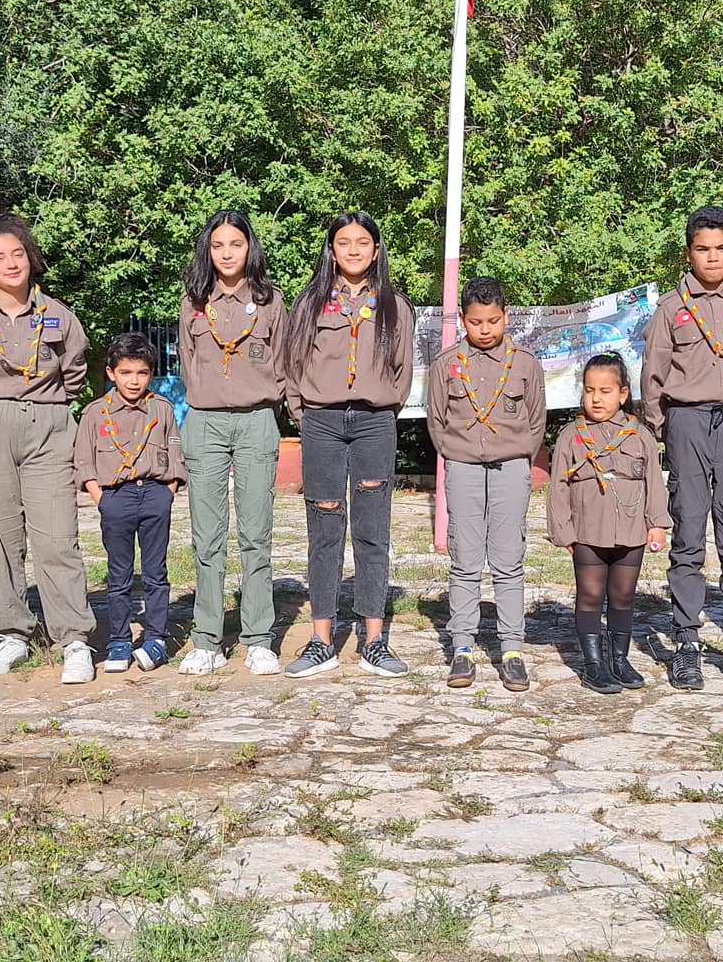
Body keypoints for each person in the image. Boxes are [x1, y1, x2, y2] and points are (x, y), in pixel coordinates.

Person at [0, 211, 98, 686]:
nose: (11, 263)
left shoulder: (59, 314)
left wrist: (48, 407)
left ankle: (73, 636)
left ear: (30, 258)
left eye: (17, 253)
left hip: (48, 425)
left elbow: (75, 370)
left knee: (57, 536)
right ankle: (13, 631)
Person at [640, 206, 723, 691]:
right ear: (689, 252)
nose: (712, 258)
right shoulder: (672, 307)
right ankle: (687, 642)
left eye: (721, 248)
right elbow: (653, 375)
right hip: (688, 421)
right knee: (689, 534)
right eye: (702, 249)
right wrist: (663, 429)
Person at [281, 212, 416, 678]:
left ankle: (374, 640)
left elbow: (401, 373)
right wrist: (307, 414)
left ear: (377, 250)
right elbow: (292, 365)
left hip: (375, 421)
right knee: (324, 527)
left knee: (372, 529)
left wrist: (380, 411)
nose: (354, 250)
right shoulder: (310, 303)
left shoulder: (395, 305)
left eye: (363, 242)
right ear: (331, 250)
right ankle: (322, 641)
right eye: (344, 242)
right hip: (322, 420)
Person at [176, 211, 286, 677]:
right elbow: (187, 358)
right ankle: (207, 639)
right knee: (208, 536)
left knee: (256, 535)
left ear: (249, 248)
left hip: (257, 420)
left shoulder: (270, 300)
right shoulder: (194, 300)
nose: (226, 253)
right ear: (208, 250)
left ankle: (258, 637)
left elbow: (283, 361)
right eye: (218, 245)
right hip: (205, 422)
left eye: (235, 245)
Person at [425, 276, 546, 692]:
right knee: (465, 558)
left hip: (511, 467)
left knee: (509, 559)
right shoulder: (446, 365)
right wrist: (457, 454)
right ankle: (462, 648)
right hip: (463, 468)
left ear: (506, 316)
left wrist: (517, 455)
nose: (485, 329)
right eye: (476, 322)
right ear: (462, 319)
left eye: (493, 320)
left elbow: (536, 421)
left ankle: (512, 648)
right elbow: (437, 421)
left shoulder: (525, 363)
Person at [548, 354, 670, 693]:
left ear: (622, 393)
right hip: (587, 530)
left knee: (623, 596)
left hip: (631, 531)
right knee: (589, 595)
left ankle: (619, 659)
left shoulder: (640, 435)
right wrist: (564, 530)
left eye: (605, 390)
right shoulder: (571, 436)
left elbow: (653, 483)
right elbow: (558, 485)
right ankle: (594, 664)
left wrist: (657, 523)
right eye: (589, 390)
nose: (596, 398)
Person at [76, 333, 186, 673]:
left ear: (150, 374)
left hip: (154, 493)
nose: (134, 380)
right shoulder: (96, 413)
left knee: (156, 573)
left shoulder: (162, 409)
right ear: (111, 374)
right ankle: (120, 640)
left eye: (141, 372)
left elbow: (175, 454)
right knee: (119, 575)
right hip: (116, 497)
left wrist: (167, 491)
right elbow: (84, 461)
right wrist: (101, 498)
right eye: (125, 373)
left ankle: (156, 638)